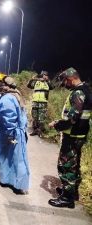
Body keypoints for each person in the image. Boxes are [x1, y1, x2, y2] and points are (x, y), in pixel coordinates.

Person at [48, 67, 92, 208]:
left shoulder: (78, 93)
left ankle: (67, 198)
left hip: (73, 135)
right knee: (74, 165)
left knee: (66, 166)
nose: (65, 84)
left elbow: (72, 118)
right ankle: (72, 192)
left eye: (65, 81)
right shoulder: (86, 89)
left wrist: (56, 124)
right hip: (79, 134)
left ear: (72, 78)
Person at [0, 74, 30, 194]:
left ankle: (17, 185)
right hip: (14, 132)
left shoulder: (8, 99)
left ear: (6, 86)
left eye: (2, 84)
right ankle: (7, 180)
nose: (0, 86)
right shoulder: (14, 94)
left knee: (11, 158)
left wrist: (9, 134)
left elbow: (9, 118)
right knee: (10, 158)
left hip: (9, 133)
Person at [27, 70, 54, 136]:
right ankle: (35, 130)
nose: (44, 76)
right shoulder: (36, 82)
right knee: (34, 116)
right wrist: (32, 79)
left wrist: (47, 80)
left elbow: (52, 87)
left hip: (43, 102)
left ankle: (40, 131)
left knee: (41, 118)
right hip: (35, 102)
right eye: (43, 75)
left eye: (46, 75)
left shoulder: (47, 83)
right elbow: (29, 85)